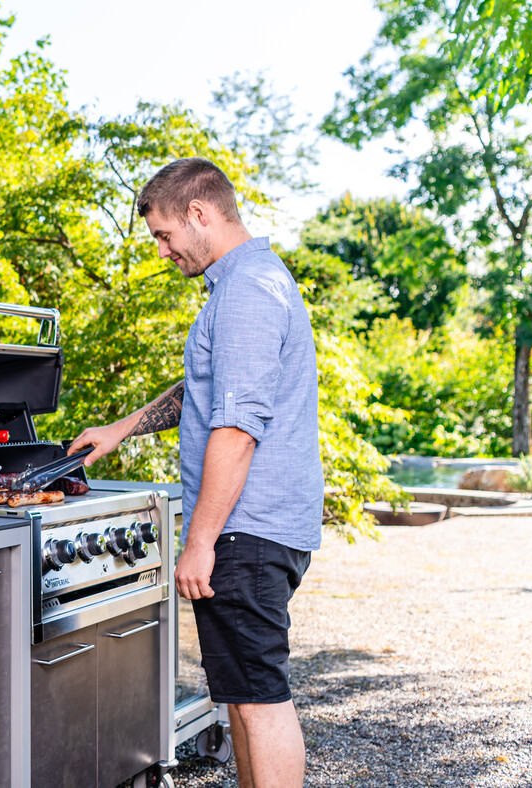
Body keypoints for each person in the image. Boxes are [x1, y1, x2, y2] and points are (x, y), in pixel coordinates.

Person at [68, 157, 323, 788]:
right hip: (256, 528)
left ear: (199, 213)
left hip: (244, 530)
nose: (162, 250)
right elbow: (206, 390)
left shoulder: (245, 293)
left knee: (259, 698)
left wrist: (200, 541)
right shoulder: (248, 284)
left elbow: (237, 429)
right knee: (240, 693)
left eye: (163, 234)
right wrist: (122, 428)